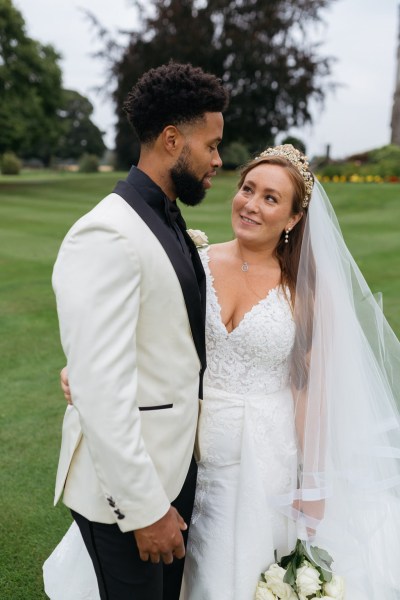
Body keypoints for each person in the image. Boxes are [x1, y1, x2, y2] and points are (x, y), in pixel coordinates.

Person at [46, 145, 400, 600]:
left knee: (232, 572)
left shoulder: (308, 295)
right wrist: (81, 373)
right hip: (181, 447)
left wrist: (313, 482)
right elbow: (144, 340)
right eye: (247, 189)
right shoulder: (196, 262)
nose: (251, 204)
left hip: (261, 459)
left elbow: (309, 388)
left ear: (293, 219)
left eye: (271, 198)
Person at [44, 61, 228, 600]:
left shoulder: (170, 219)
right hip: (126, 496)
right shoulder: (106, 234)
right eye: (212, 145)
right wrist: (146, 512)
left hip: (175, 470)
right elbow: (101, 392)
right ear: (173, 140)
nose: (219, 160)